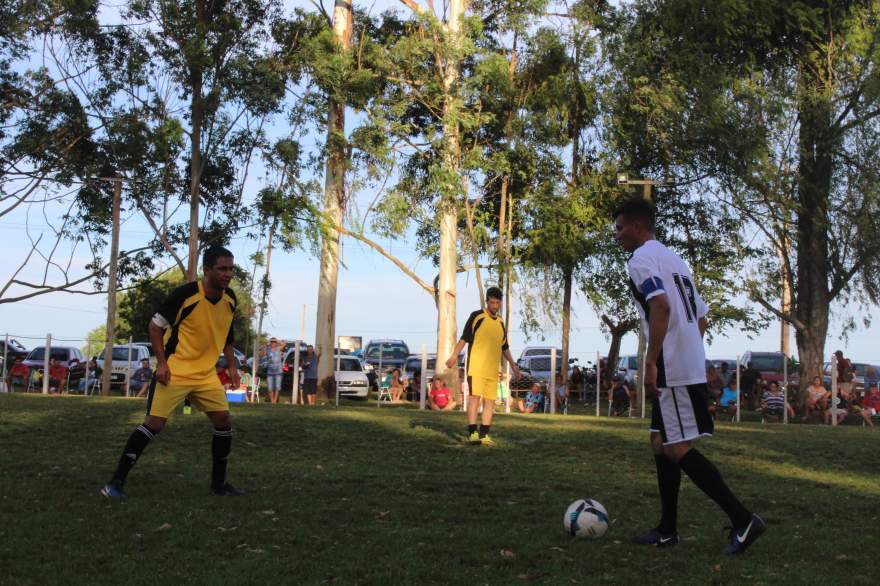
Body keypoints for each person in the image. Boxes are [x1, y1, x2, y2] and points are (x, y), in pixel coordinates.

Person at [613, 197, 764, 555]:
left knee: (677, 447)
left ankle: (744, 520)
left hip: (672, 363)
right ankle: (667, 531)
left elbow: (660, 305)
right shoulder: (675, 259)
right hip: (685, 358)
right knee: (659, 441)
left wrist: (653, 361)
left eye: (619, 228)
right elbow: (701, 317)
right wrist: (690, 349)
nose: (617, 235)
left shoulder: (640, 259)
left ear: (637, 226)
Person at [100, 246, 244, 501]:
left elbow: (227, 336)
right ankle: (115, 483)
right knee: (154, 424)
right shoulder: (186, 295)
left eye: (231, 269)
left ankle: (219, 485)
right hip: (176, 371)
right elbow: (155, 327)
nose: (228, 274)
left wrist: (232, 367)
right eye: (222, 268)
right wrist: (163, 364)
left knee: (224, 421)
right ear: (207, 269)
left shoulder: (230, 299)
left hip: (206, 374)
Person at [446, 287, 522, 446]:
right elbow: (464, 339)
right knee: (475, 398)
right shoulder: (476, 316)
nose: (494, 305)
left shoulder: (501, 322)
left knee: (490, 401)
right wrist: (454, 356)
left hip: (492, 369)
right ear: (487, 301)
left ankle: (484, 435)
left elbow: (504, 347)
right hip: (476, 366)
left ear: (500, 303)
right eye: (492, 302)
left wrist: (514, 365)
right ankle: (473, 433)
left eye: (497, 302)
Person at [264, 338, 283, 404]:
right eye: (271, 342)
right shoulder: (268, 349)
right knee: (270, 387)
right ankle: (272, 401)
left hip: (278, 371)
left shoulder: (278, 348)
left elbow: (284, 344)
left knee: (277, 387)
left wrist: (277, 340)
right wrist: (265, 345)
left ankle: (275, 401)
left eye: (274, 342)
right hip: (270, 371)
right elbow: (262, 354)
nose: (273, 343)